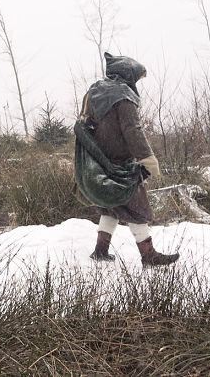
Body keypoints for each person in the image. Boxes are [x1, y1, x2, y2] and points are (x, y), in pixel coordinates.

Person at [78, 52, 179, 267]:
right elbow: (132, 130)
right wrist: (147, 160)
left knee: (111, 207)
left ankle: (100, 251)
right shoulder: (123, 95)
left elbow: (85, 127)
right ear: (128, 74)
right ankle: (149, 256)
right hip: (122, 166)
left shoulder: (94, 91)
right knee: (138, 209)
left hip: (100, 163)